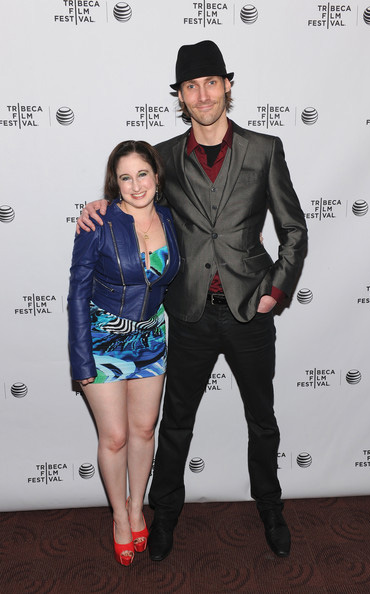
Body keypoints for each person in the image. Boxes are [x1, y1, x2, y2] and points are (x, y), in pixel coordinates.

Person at [77, 40, 308, 562]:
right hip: (185, 316)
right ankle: (163, 517)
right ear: (180, 97)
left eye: (210, 83)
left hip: (250, 310)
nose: (202, 95)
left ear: (227, 85)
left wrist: (276, 290)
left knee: (262, 420)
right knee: (174, 424)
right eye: (190, 87)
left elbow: (293, 229)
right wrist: (99, 204)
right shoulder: (163, 158)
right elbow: (132, 196)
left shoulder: (264, 149)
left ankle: (270, 507)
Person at [68, 140, 180, 566]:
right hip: (102, 339)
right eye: (125, 177)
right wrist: (80, 360)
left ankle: (138, 509)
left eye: (143, 174)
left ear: (156, 176)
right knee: (114, 437)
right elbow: (77, 293)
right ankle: (119, 517)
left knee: (144, 430)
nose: (136, 185)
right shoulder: (98, 223)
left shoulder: (170, 217)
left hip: (151, 336)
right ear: (114, 183)